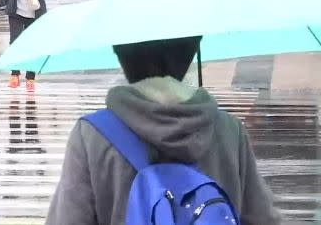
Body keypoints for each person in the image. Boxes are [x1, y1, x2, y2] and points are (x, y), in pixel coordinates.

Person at [44, 36, 281, 225]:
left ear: (120, 53)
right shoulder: (229, 131)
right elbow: (262, 218)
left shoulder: (92, 136)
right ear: (190, 51)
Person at [0, 0, 52, 92]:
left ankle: (30, 77)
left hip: (34, 11)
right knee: (14, 42)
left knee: (33, 44)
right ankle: (15, 75)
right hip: (16, 10)